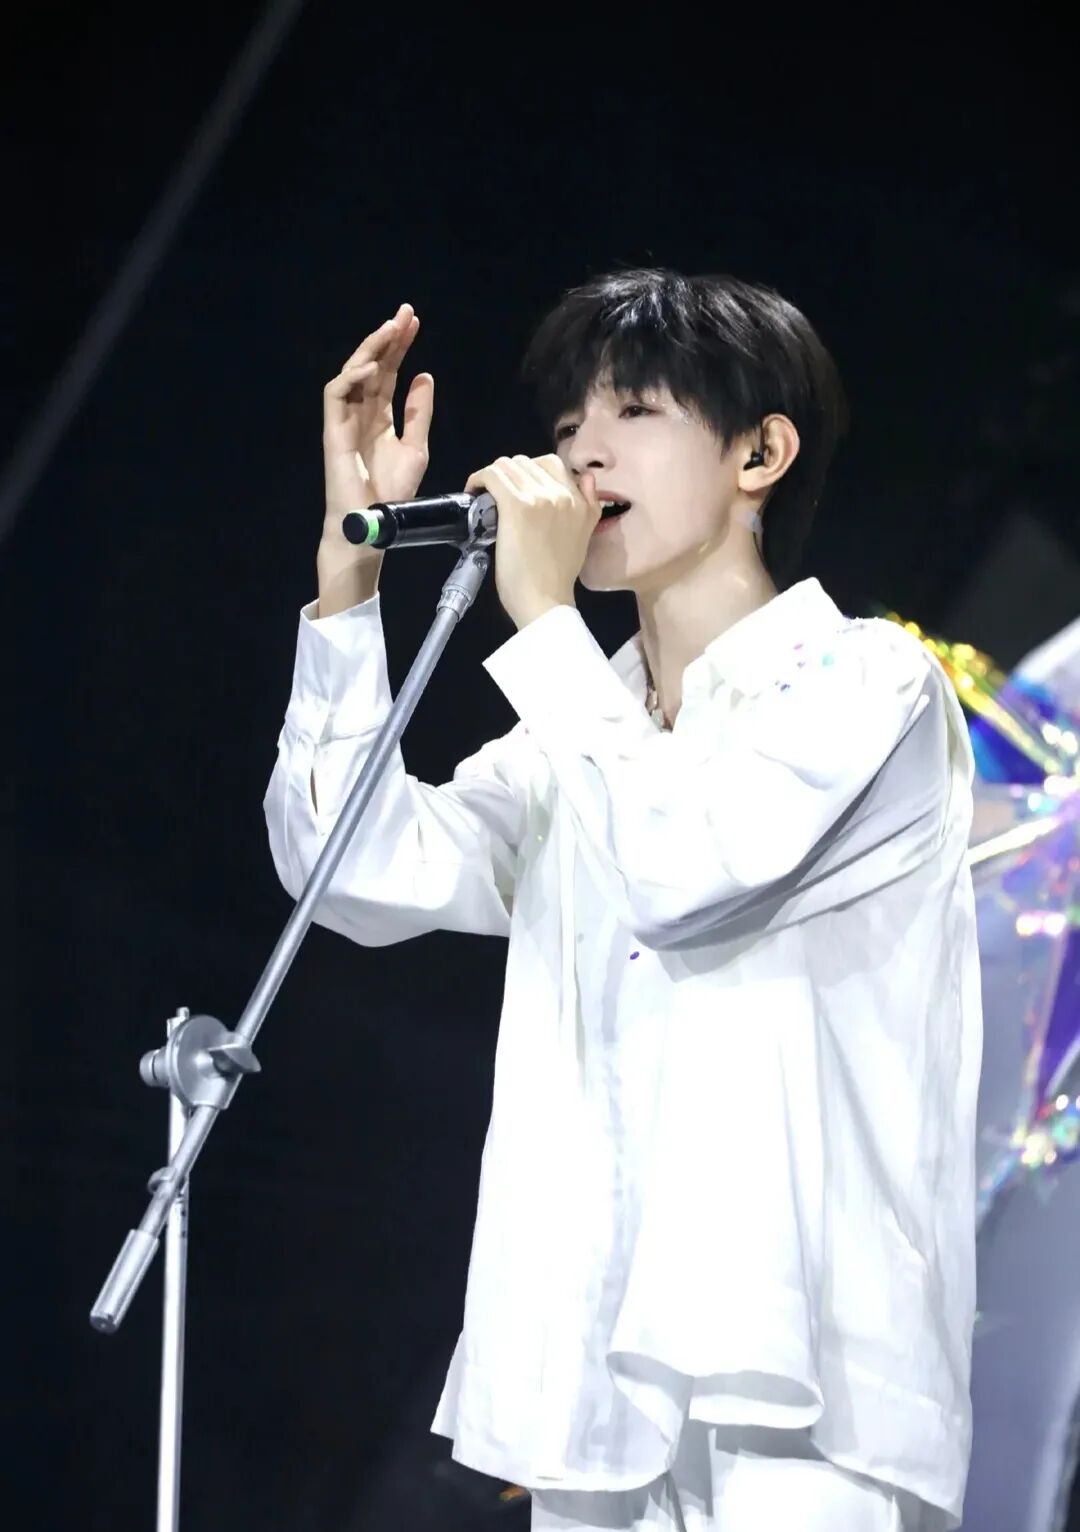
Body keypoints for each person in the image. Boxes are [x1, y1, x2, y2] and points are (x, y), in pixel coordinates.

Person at [264, 270, 982, 1531]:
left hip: (809, 1402)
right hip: (590, 1390)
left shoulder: (867, 684)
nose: (581, 453)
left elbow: (685, 865)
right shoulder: (578, 735)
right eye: (565, 426)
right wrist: (347, 574)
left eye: (635, 412)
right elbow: (350, 867)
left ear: (760, 454)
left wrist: (542, 617)